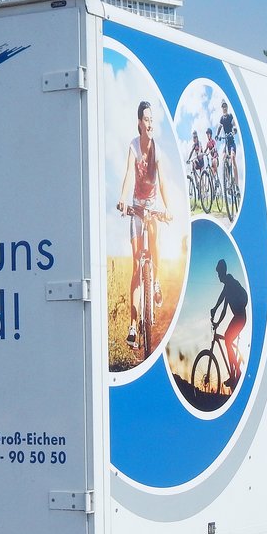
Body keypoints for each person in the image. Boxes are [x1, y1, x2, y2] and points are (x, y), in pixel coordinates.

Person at [115, 100, 173, 348]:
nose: (149, 123)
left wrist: (167, 208)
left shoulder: (157, 151)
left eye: (152, 119)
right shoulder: (134, 147)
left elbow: (162, 182)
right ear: (139, 123)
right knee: (137, 266)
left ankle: (156, 281)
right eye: (146, 119)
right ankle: (132, 325)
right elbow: (129, 174)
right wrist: (122, 199)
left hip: (152, 207)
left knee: (155, 250)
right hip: (137, 207)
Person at [210, 258, 248, 388]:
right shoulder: (228, 287)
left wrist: (215, 308)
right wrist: (217, 323)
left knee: (227, 340)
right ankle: (233, 375)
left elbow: (221, 297)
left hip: (240, 317)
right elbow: (224, 310)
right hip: (238, 317)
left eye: (218, 273)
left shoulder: (230, 282)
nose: (218, 276)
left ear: (222, 272)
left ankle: (236, 372)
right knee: (227, 339)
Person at [215, 100, 239, 189]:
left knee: (232, 158)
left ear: (227, 107)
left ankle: (236, 185)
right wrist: (217, 135)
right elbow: (219, 127)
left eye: (225, 106)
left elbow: (234, 125)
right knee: (223, 157)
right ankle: (228, 182)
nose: (224, 108)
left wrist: (234, 130)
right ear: (221, 108)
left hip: (231, 142)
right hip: (226, 143)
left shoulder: (230, 116)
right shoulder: (222, 118)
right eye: (222, 106)